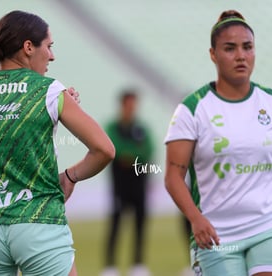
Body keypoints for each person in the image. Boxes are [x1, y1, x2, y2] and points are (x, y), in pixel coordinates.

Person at [0, 10, 115, 276]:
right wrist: (69, 176)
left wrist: (53, 109)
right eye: (49, 46)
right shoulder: (49, 90)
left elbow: (5, 131)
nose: (52, 55)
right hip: (38, 221)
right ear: (28, 47)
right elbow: (104, 150)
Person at [164, 10, 272, 276]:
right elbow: (173, 176)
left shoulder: (268, 101)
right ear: (213, 54)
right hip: (216, 235)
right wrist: (195, 218)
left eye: (247, 47)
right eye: (230, 48)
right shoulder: (192, 109)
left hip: (266, 228)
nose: (241, 56)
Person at [101, 90, 154, 276]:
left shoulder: (141, 129)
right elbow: (113, 149)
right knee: (115, 226)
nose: (132, 108)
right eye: (129, 104)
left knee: (140, 225)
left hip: (139, 187)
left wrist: (130, 157)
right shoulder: (113, 128)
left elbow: (148, 151)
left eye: (134, 105)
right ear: (122, 105)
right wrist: (133, 155)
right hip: (120, 187)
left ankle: (138, 264)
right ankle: (110, 266)